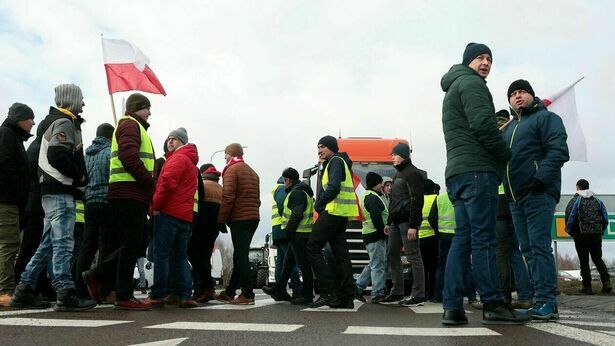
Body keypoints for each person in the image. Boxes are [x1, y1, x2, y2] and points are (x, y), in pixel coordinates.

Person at [440, 43, 529, 325]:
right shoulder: (473, 84)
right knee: (485, 240)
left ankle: (452, 307)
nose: (486, 63)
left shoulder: (454, 86)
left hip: (456, 173)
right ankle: (494, 304)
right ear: (468, 61)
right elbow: (482, 126)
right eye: (480, 57)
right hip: (478, 171)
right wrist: (505, 155)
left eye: (490, 58)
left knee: (462, 240)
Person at [12, 84, 96, 312]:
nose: (84, 104)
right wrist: (79, 176)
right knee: (63, 244)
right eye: (81, 99)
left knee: (47, 243)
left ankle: (24, 288)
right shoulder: (65, 123)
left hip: (50, 191)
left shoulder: (56, 122)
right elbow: (57, 154)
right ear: (71, 100)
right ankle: (65, 291)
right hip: (60, 190)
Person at [503, 79, 569, 321]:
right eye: (513, 94)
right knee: (528, 249)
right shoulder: (509, 129)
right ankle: (540, 300)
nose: (518, 96)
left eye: (522, 92)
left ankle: (547, 302)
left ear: (532, 95)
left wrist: (540, 179)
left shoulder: (546, 118)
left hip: (538, 192)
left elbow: (559, 150)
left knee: (539, 246)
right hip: (515, 197)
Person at [107, 93, 156, 310]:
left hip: (129, 192)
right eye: (147, 108)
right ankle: (124, 294)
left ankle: (101, 279)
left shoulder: (131, 125)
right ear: (138, 108)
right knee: (132, 244)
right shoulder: (130, 125)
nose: (149, 112)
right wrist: (148, 182)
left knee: (132, 242)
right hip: (129, 192)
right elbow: (129, 157)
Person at [307, 136, 359, 309]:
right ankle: (346, 297)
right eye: (317, 147)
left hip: (333, 211)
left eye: (322, 147)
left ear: (331, 147)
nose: (319, 150)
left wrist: (318, 204)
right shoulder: (338, 162)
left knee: (312, 247)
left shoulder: (335, 161)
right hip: (341, 214)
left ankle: (328, 291)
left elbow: (334, 187)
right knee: (340, 255)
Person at [146, 142, 199, 308]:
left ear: (182, 144)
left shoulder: (178, 159)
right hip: (185, 216)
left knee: (161, 255)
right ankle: (185, 295)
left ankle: (158, 295)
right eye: (169, 138)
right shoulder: (191, 163)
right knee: (180, 256)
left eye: (174, 139)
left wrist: (156, 205)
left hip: (169, 213)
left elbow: (167, 183)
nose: (170, 141)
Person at [76, 123, 120, 304]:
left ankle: (79, 289)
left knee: (87, 247)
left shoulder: (86, 155)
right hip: (106, 203)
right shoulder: (111, 153)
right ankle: (103, 289)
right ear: (111, 137)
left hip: (89, 204)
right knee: (106, 248)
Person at [494, 110, 533, 309]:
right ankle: (525, 294)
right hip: (514, 200)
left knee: (501, 252)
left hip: (499, 205)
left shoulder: (498, 139)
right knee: (515, 252)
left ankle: (503, 297)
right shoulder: (515, 136)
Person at [380, 143, 425, 307]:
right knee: (392, 254)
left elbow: (417, 200)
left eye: (394, 154)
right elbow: (395, 201)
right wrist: (389, 222)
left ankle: (418, 295)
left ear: (404, 155)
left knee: (414, 256)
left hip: (407, 222)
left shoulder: (413, 173)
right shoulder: (398, 174)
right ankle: (397, 292)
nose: (392, 157)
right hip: (396, 223)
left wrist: (414, 224)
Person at [215, 143, 260, 305]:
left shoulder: (231, 170)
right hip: (253, 217)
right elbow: (258, 200)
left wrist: (221, 219)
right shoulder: (252, 172)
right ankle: (229, 292)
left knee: (241, 257)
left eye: (226, 154)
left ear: (231, 153)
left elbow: (228, 197)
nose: (225, 157)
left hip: (239, 219)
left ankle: (248, 294)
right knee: (238, 255)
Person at [263, 168, 315, 305]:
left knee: (303, 265)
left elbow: (297, 214)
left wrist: (289, 231)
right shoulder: (300, 190)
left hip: (298, 234)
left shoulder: (297, 192)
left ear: (287, 180)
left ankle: (307, 295)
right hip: (298, 234)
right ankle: (278, 289)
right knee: (288, 264)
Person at [0, 103, 35, 306]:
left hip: (11, 201)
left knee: (7, 244)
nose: (32, 122)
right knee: (9, 244)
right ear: (20, 119)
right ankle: (4, 291)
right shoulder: (7, 134)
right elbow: (4, 165)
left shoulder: (12, 136)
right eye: (30, 118)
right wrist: (13, 192)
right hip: (7, 201)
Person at [429, 192, 478, 306]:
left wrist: (438, 231)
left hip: (444, 236)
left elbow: (432, 218)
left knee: (443, 266)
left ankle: (438, 295)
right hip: (462, 235)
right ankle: (471, 296)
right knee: (466, 266)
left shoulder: (439, 198)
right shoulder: (465, 196)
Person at [565, 179, 611, 294]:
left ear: (577, 188)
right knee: (597, 259)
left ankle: (587, 287)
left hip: (580, 236)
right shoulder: (597, 201)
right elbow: (605, 218)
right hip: (596, 235)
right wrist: (601, 231)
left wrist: (569, 230)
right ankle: (606, 282)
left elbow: (570, 217)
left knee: (584, 261)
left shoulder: (575, 201)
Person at [191, 164, 222, 303]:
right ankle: (206, 288)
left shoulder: (202, 184)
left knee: (197, 258)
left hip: (200, 226)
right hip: (214, 228)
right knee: (205, 257)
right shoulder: (221, 188)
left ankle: (203, 289)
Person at [355, 172, 388, 303]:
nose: (382, 186)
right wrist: (383, 230)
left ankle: (357, 288)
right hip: (375, 235)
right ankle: (377, 293)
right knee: (378, 265)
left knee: (373, 263)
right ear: (377, 183)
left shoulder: (368, 196)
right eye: (381, 183)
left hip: (370, 235)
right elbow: (376, 217)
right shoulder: (373, 198)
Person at [269, 177, 303, 300]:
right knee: (291, 261)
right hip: (284, 228)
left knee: (282, 261)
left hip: (277, 229)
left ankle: (279, 290)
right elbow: (284, 206)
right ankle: (297, 290)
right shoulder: (282, 189)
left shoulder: (276, 189)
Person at [419, 179, 439, 302]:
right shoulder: (436, 198)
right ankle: (432, 293)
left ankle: (423, 293)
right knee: (433, 267)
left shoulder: (417, 200)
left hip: (420, 237)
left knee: (422, 268)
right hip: (433, 237)